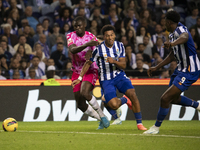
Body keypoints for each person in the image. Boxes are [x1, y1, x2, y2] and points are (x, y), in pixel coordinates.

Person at [72, 24, 147, 131]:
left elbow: (124, 65)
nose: (110, 37)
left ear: (114, 35)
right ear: (104, 37)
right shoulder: (98, 50)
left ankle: (139, 124)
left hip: (119, 76)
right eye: (107, 36)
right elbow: (88, 63)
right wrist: (79, 78)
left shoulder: (120, 46)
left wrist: (114, 61)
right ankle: (125, 100)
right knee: (114, 105)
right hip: (106, 80)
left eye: (112, 35)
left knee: (133, 94)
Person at [143, 11, 200, 134]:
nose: (163, 23)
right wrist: (156, 67)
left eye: (164, 21)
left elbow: (185, 36)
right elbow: (172, 55)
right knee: (172, 99)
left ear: (168, 22)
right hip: (180, 69)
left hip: (190, 70)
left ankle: (156, 127)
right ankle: (197, 105)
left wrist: (172, 43)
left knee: (165, 98)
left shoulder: (180, 30)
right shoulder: (172, 34)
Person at [67, 16, 110, 129]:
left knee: (85, 93)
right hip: (76, 71)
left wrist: (92, 54)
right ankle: (101, 118)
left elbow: (99, 49)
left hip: (90, 69)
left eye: (80, 25)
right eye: (75, 26)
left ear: (84, 25)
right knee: (80, 104)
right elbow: (72, 49)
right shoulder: (70, 36)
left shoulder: (91, 37)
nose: (77, 28)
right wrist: (87, 45)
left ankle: (102, 115)